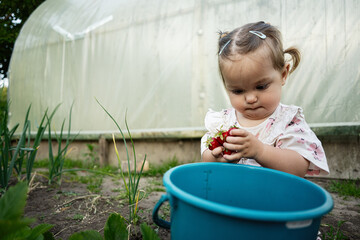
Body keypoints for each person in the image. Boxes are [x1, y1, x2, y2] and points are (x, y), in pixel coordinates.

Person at [201, 21, 329, 177]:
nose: (250, 98)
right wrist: (217, 157)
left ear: (283, 74)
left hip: (274, 198)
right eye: (238, 90)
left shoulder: (287, 121)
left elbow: (298, 168)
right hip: (232, 196)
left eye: (261, 87)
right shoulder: (223, 122)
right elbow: (206, 158)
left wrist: (260, 151)